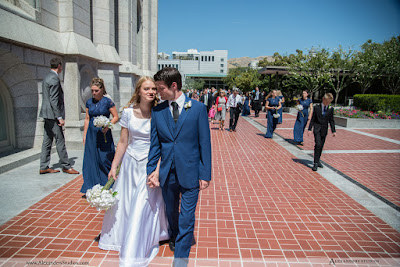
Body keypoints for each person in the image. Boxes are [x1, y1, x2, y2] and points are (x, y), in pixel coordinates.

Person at [98, 76, 169, 265]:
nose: (151, 92)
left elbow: (164, 144)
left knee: (142, 203)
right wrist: (114, 166)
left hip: (151, 164)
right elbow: (123, 142)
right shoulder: (128, 113)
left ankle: (137, 244)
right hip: (130, 163)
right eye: (146, 88)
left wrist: (159, 168)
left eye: (153, 88)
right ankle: (124, 236)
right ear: (139, 91)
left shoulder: (160, 113)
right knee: (127, 201)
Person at [147, 67, 212, 267]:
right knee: (171, 212)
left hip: (191, 172)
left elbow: (205, 144)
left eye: (160, 89)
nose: (158, 93)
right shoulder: (157, 111)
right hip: (167, 173)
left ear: (174, 86)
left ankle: (181, 260)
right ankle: (174, 236)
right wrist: (151, 172)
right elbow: (155, 145)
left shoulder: (198, 108)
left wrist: (205, 174)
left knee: (187, 217)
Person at [39, 58, 79, 175]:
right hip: (53, 115)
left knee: (47, 141)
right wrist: (59, 117)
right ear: (59, 66)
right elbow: (54, 100)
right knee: (60, 140)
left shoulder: (47, 77)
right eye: (62, 67)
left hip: (46, 114)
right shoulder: (54, 79)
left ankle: (43, 166)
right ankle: (66, 166)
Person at [80, 78, 118, 196]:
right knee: (90, 159)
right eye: (92, 91)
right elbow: (87, 119)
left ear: (102, 90)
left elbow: (116, 116)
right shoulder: (89, 102)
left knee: (104, 158)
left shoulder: (107, 102)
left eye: (96, 90)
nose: (94, 93)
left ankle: (108, 184)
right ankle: (91, 185)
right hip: (91, 134)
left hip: (104, 134)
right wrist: (85, 134)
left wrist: (108, 125)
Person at [308, 93, 336, 171]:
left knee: (321, 146)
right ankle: (315, 163)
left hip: (324, 129)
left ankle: (318, 160)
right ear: (323, 99)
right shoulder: (317, 108)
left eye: (329, 102)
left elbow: (331, 120)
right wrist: (309, 129)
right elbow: (313, 119)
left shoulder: (330, 109)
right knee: (318, 144)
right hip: (317, 129)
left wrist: (333, 131)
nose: (328, 103)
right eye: (327, 102)